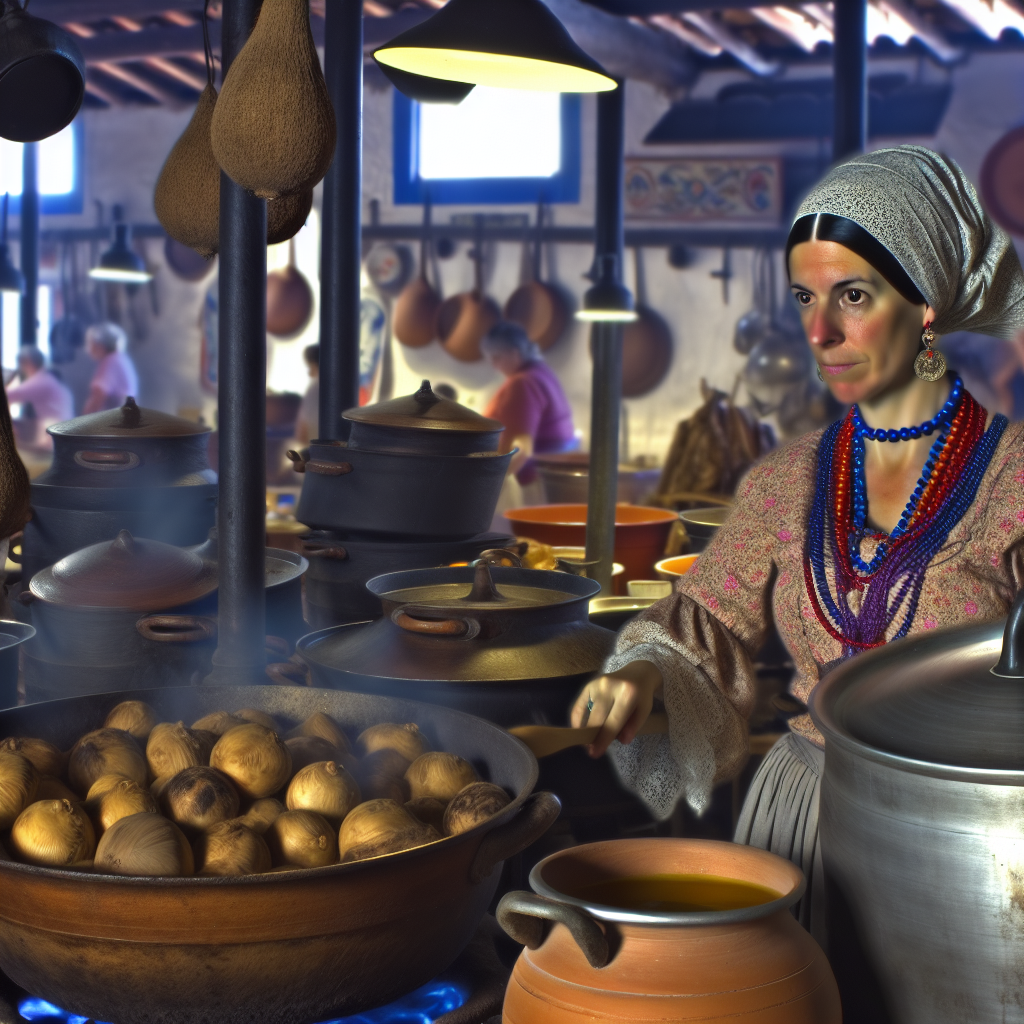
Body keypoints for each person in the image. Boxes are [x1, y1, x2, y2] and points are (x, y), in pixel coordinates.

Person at [572, 145, 1024, 941]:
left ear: (926, 305)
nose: (819, 331)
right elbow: (705, 616)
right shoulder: (789, 480)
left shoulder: (1013, 478)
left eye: (852, 295)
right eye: (804, 298)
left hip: (969, 834)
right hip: (803, 816)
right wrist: (644, 668)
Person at [482, 321, 576, 506]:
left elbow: (520, 449)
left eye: (496, 357)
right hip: (543, 480)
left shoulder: (522, 383)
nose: (493, 365)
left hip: (524, 485)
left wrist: (487, 486)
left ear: (514, 353)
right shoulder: (542, 372)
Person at [5, 347, 73, 442]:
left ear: (28, 363)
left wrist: (9, 379)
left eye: (20, 364)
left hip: (55, 438)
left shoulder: (40, 382)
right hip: (61, 433)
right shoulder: (48, 378)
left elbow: (7, 396)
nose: (20, 369)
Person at [83, 322, 139, 413]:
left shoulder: (110, 362)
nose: (88, 349)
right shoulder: (120, 359)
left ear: (100, 344)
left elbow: (98, 398)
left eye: (91, 343)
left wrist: (83, 423)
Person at [295, 344, 319, 446]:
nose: (309, 372)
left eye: (309, 366)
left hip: (314, 450)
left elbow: (302, 432)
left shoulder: (314, 388)